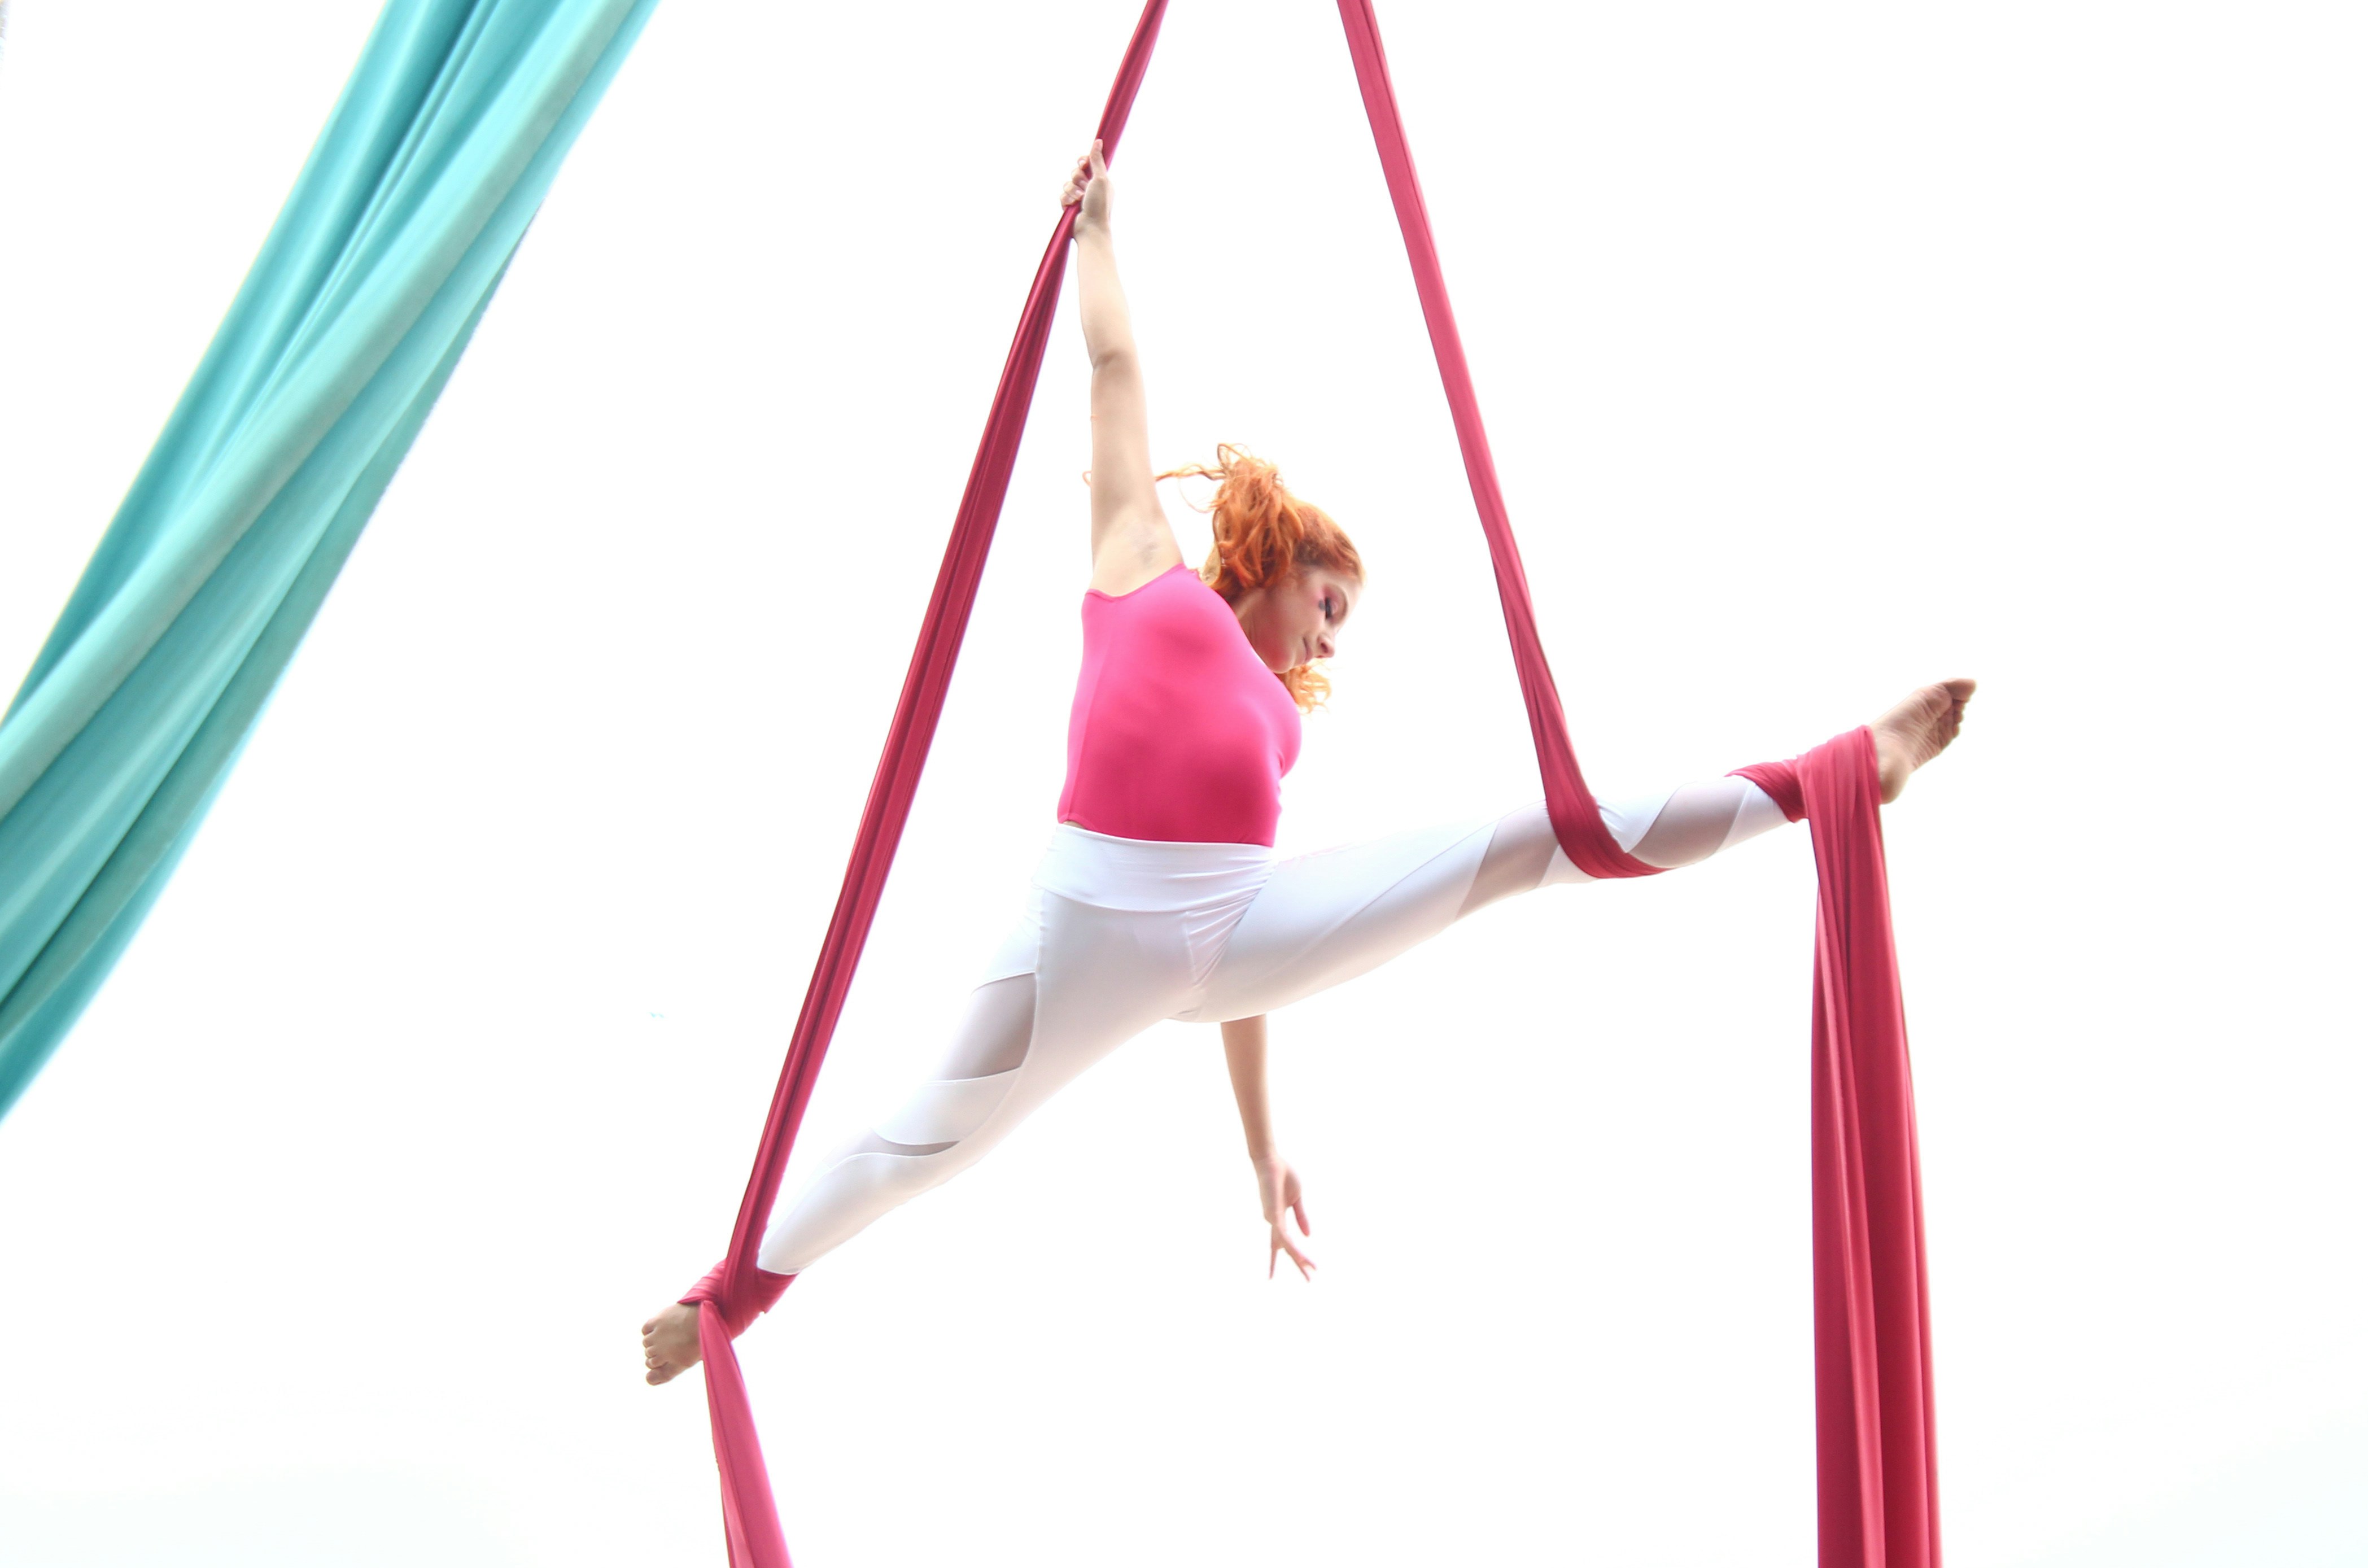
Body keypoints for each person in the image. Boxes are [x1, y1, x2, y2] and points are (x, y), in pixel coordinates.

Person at [641, 142, 1972, 1384]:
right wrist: (1098, 232)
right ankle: (726, 1303)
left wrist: (1264, 1144)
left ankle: (1836, 776)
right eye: (1332, 599)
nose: (1334, 632)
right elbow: (1115, 372)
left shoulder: (1279, 723)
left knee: (1529, 839)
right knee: (916, 1143)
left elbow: (1245, 960)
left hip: (1224, 926)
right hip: (1085, 920)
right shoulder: (1139, 572)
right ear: (1276, 559)